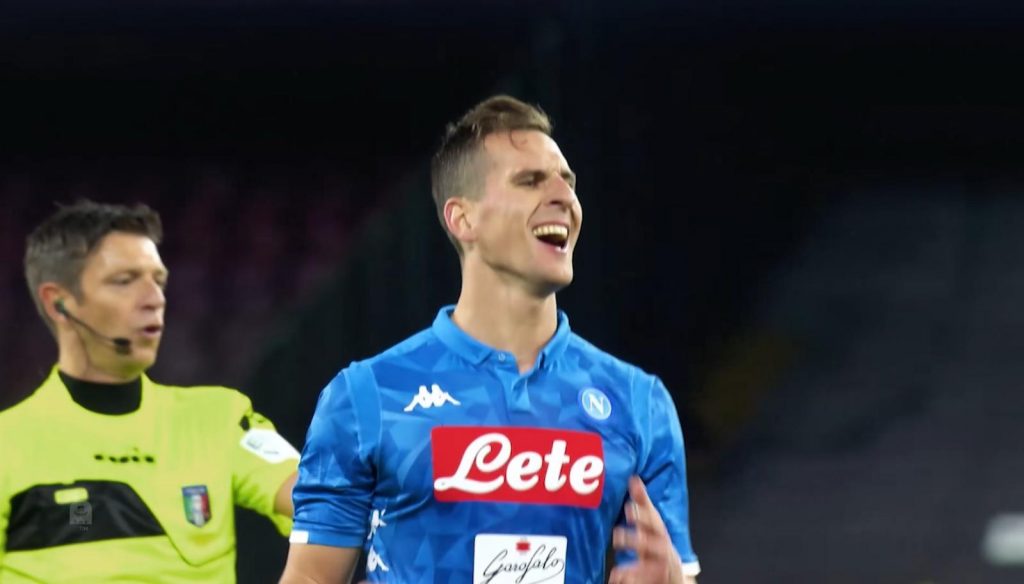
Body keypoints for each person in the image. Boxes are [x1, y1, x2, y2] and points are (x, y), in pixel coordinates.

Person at [280, 95, 700, 584]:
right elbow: (310, 578)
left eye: (567, 181)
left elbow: (666, 569)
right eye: (530, 181)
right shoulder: (365, 396)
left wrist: (674, 581)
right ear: (463, 219)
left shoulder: (637, 402)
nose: (564, 197)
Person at [0, 200, 300, 582]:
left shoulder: (219, 419)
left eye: (158, 280)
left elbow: (326, 502)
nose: (154, 298)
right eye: (124, 281)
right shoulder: (8, 443)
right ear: (59, 303)